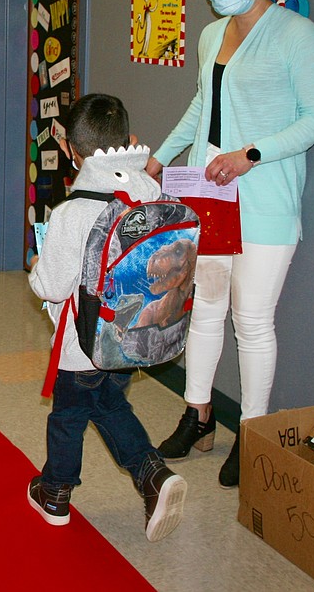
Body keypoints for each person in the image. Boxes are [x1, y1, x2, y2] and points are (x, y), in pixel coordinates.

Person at [146, 0, 314, 487]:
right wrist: (159, 158)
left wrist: (252, 154)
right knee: (204, 310)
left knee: (252, 320)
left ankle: (251, 435)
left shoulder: (298, 36)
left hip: (264, 200)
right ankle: (198, 415)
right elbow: (201, 104)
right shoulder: (212, 36)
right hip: (208, 196)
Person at [27, 93, 187, 543]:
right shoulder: (152, 192)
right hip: (135, 335)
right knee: (109, 404)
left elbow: (51, 286)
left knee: (68, 416)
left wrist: (36, 268)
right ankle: (152, 475)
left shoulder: (72, 212)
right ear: (128, 139)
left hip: (83, 345)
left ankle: (57, 492)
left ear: (70, 150)